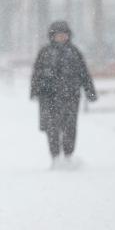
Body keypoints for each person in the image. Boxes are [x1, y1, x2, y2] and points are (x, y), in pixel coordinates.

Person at [30, 21, 97, 168]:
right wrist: (35, 90)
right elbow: (37, 73)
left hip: (71, 96)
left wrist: (90, 91)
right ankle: (55, 156)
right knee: (52, 128)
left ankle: (68, 155)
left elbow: (84, 73)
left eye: (64, 35)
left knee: (70, 127)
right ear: (52, 36)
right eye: (58, 35)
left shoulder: (74, 52)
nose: (61, 37)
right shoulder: (45, 52)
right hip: (49, 97)